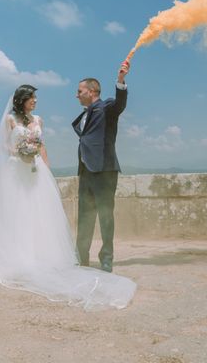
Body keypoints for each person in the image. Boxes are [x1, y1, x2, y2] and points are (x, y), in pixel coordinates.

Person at [0, 84, 136, 310]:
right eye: (32, 98)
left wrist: (46, 169)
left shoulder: (39, 120)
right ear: (22, 100)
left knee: (38, 214)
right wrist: (19, 151)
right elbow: (3, 146)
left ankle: (57, 257)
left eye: (36, 98)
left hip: (36, 171)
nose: (36, 101)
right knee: (16, 213)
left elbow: (43, 146)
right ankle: (19, 257)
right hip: (16, 171)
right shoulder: (10, 120)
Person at [72, 61, 129, 273]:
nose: (76, 95)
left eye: (79, 91)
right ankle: (81, 257)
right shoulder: (86, 113)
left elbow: (119, 105)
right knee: (85, 215)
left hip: (104, 170)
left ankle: (106, 259)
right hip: (86, 171)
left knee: (106, 215)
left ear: (92, 91)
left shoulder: (106, 107)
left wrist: (121, 81)